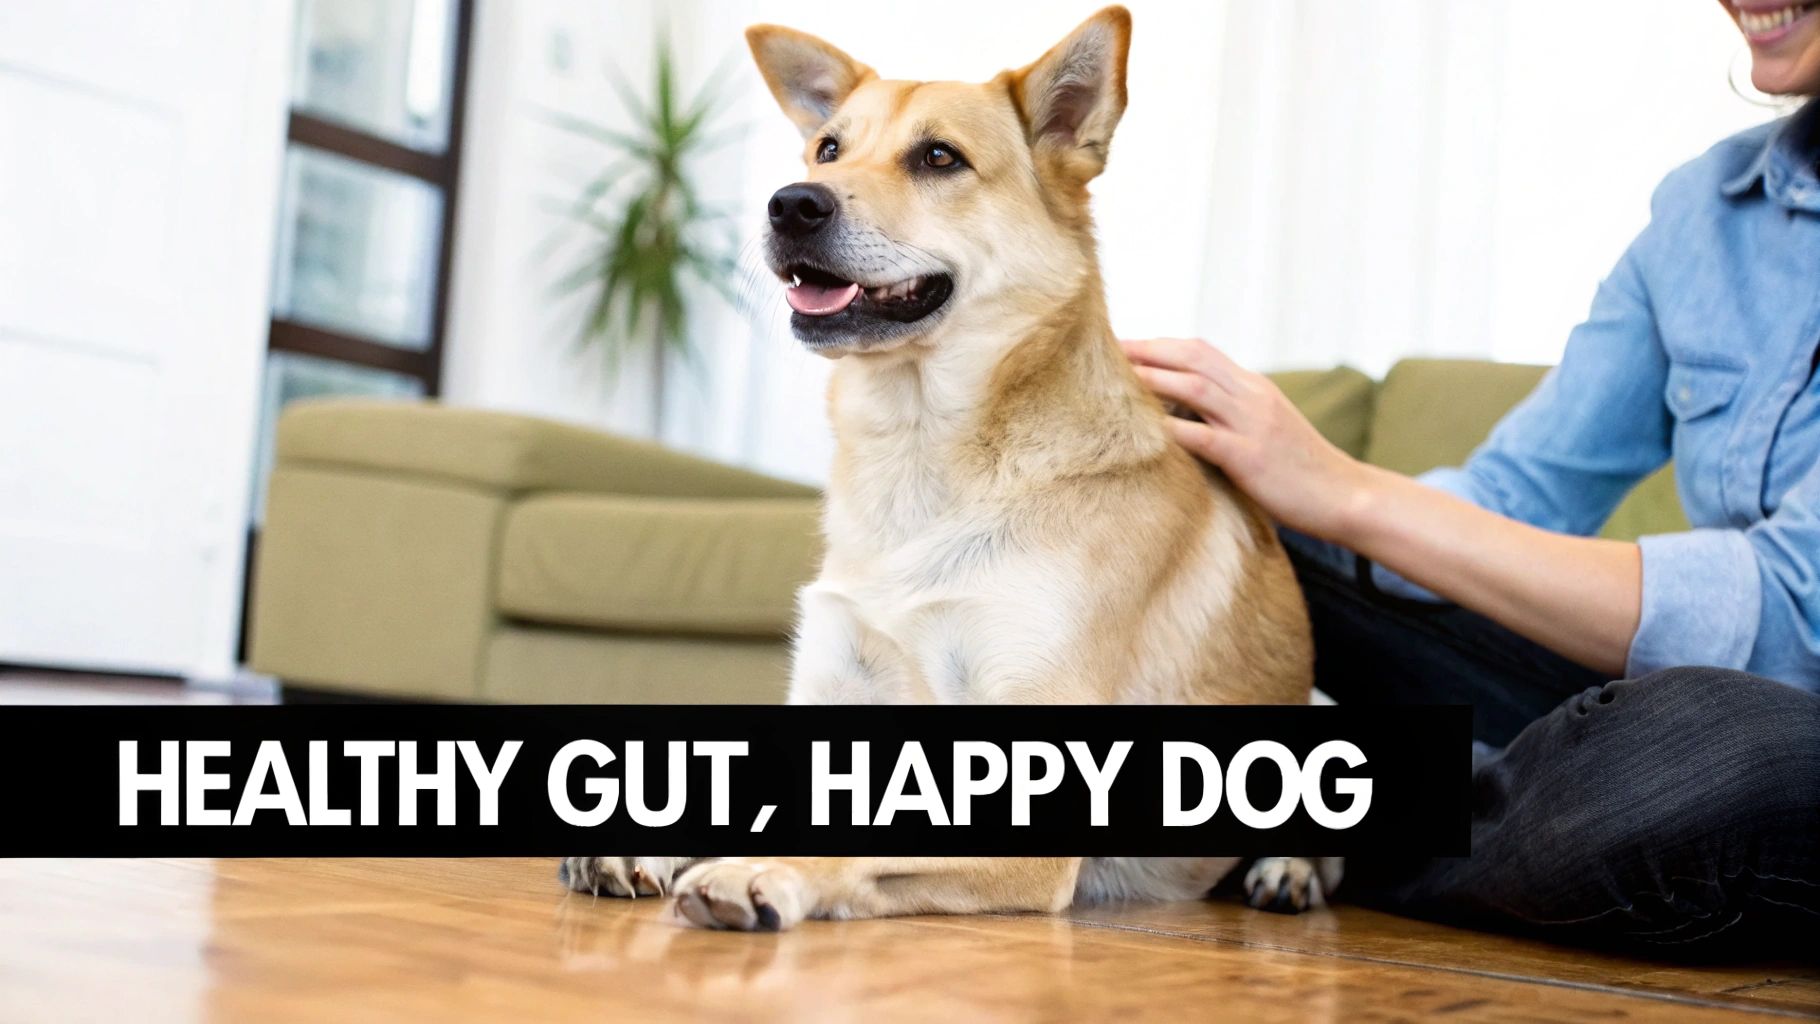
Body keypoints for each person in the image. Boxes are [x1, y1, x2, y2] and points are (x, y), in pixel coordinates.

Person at [1126, 0, 1820, 952]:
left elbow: (1792, 615)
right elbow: (1518, 493)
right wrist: (1278, 490)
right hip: (1618, 724)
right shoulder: (1706, 208)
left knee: (1712, 751)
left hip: (1764, 748)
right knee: (1225, 513)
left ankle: (1288, 804)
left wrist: (1347, 491)